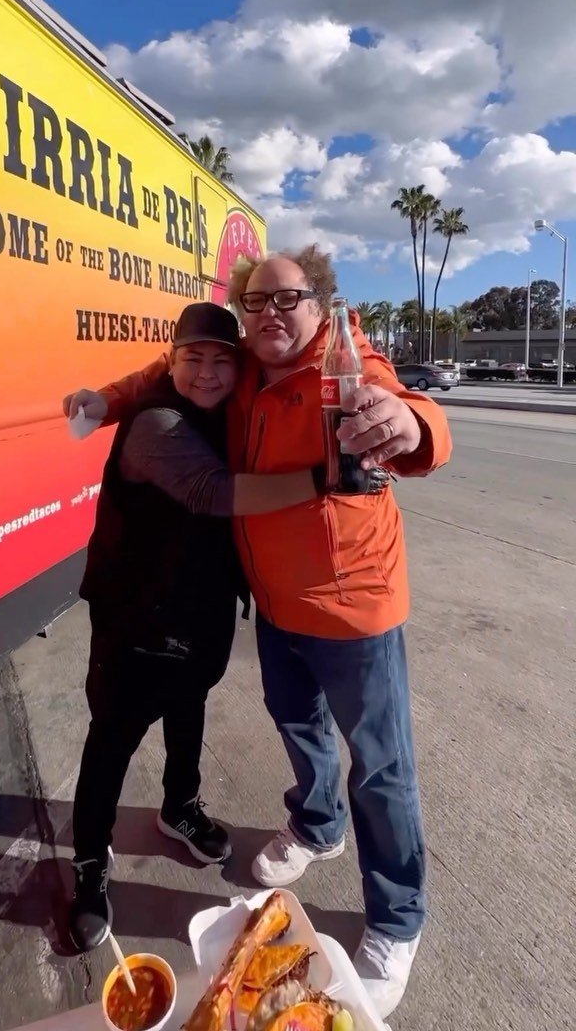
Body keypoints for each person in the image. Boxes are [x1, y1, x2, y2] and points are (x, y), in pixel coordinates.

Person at [66, 250, 452, 1017]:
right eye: (256, 303)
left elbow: (409, 412)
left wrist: (410, 423)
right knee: (296, 727)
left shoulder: (346, 365)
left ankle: (397, 919)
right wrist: (105, 401)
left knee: (379, 768)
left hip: (352, 608)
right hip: (266, 609)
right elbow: (169, 371)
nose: (270, 314)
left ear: (321, 303)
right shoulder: (239, 366)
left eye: (288, 299)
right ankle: (314, 826)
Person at [65, 300, 380, 952]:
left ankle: (180, 807)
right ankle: (89, 866)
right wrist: (328, 476)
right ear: (172, 363)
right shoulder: (156, 422)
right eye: (193, 360)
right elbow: (214, 493)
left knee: (189, 709)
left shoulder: (226, 412)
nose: (207, 374)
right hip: (134, 614)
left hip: (200, 608)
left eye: (220, 361)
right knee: (113, 740)